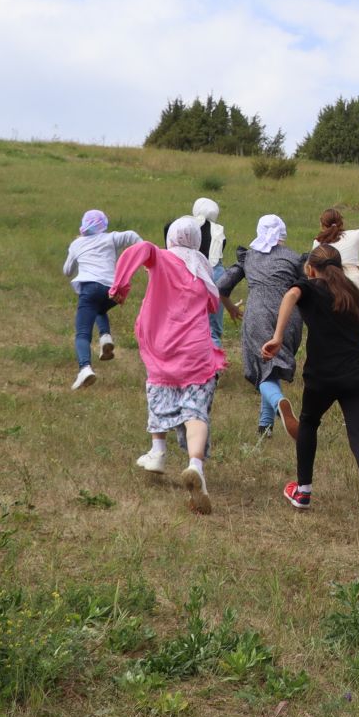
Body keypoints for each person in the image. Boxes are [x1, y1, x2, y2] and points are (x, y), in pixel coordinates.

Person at [261, 244, 359, 545]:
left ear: (310, 269)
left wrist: (278, 337)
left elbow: (292, 294)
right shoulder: (352, 293)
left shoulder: (310, 288)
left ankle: (303, 490)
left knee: (308, 422)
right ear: (340, 267)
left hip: (323, 376)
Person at [108, 218, 227, 515]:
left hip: (162, 346)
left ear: (172, 238)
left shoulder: (161, 256)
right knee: (196, 411)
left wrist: (121, 284)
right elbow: (213, 305)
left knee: (159, 392)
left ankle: (158, 452)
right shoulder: (202, 267)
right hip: (196, 352)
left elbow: (141, 249)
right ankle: (195, 465)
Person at [219, 214, 304, 442]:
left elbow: (222, 286)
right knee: (271, 367)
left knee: (261, 369)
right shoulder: (295, 258)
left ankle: (279, 403)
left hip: (258, 315)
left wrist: (230, 308)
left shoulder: (249, 257)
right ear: (283, 234)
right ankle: (265, 427)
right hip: (290, 318)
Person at [61, 210, 142, 390]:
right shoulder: (111, 238)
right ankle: (105, 337)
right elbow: (131, 235)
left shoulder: (77, 244)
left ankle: (85, 368)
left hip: (90, 289)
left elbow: (67, 271)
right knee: (100, 309)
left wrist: (77, 252)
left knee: (82, 333)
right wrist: (145, 250)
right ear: (103, 225)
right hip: (113, 291)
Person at [190, 197, 228, 345]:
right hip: (217, 274)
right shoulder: (220, 232)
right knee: (213, 328)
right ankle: (214, 367)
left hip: (193, 271)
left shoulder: (189, 226)